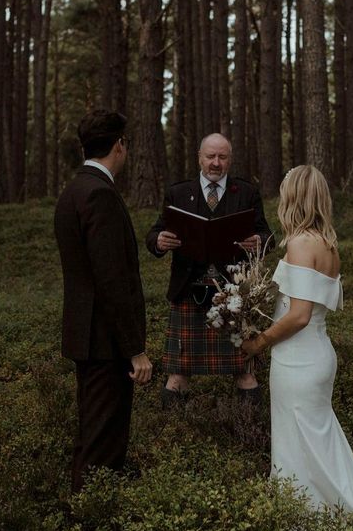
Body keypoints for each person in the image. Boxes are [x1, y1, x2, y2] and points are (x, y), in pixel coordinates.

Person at [241, 165, 353, 523]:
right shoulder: (327, 244)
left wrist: (259, 342)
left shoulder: (303, 243)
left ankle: (313, 517)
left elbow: (299, 314)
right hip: (313, 353)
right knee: (316, 442)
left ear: (295, 198)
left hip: (299, 359)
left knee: (304, 442)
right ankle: (319, 512)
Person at [54, 109, 152, 492]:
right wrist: (135, 351)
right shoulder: (100, 195)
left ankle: (86, 520)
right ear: (119, 145)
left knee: (92, 435)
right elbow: (112, 281)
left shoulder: (74, 190)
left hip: (88, 336)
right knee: (103, 444)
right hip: (106, 343)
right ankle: (88, 528)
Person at [146, 133, 273, 407]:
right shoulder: (178, 193)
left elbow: (267, 234)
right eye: (210, 157)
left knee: (245, 373)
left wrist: (259, 241)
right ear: (199, 158)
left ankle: (249, 434)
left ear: (230, 160)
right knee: (178, 375)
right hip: (188, 291)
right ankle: (172, 437)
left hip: (234, 296)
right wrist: (158, 240)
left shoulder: (247, 192)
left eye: (222, 157)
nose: (216, 163)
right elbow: (155, 232)